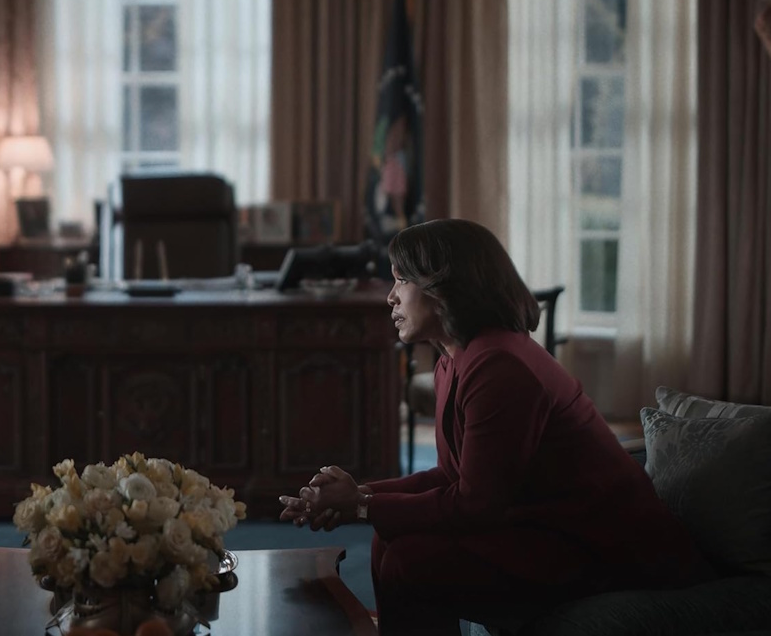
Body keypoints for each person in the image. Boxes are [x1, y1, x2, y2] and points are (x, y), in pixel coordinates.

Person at [278, 219, 709, 634]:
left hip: (609, 550)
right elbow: (454, 475)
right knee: (390, 544)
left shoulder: (498, 365)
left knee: (411, 560)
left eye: (401, 280)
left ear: (443, 290)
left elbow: (476, 505)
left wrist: (360, 505)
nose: (390, 297)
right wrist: (359, 494)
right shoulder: (457, 358)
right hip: (550, 528)